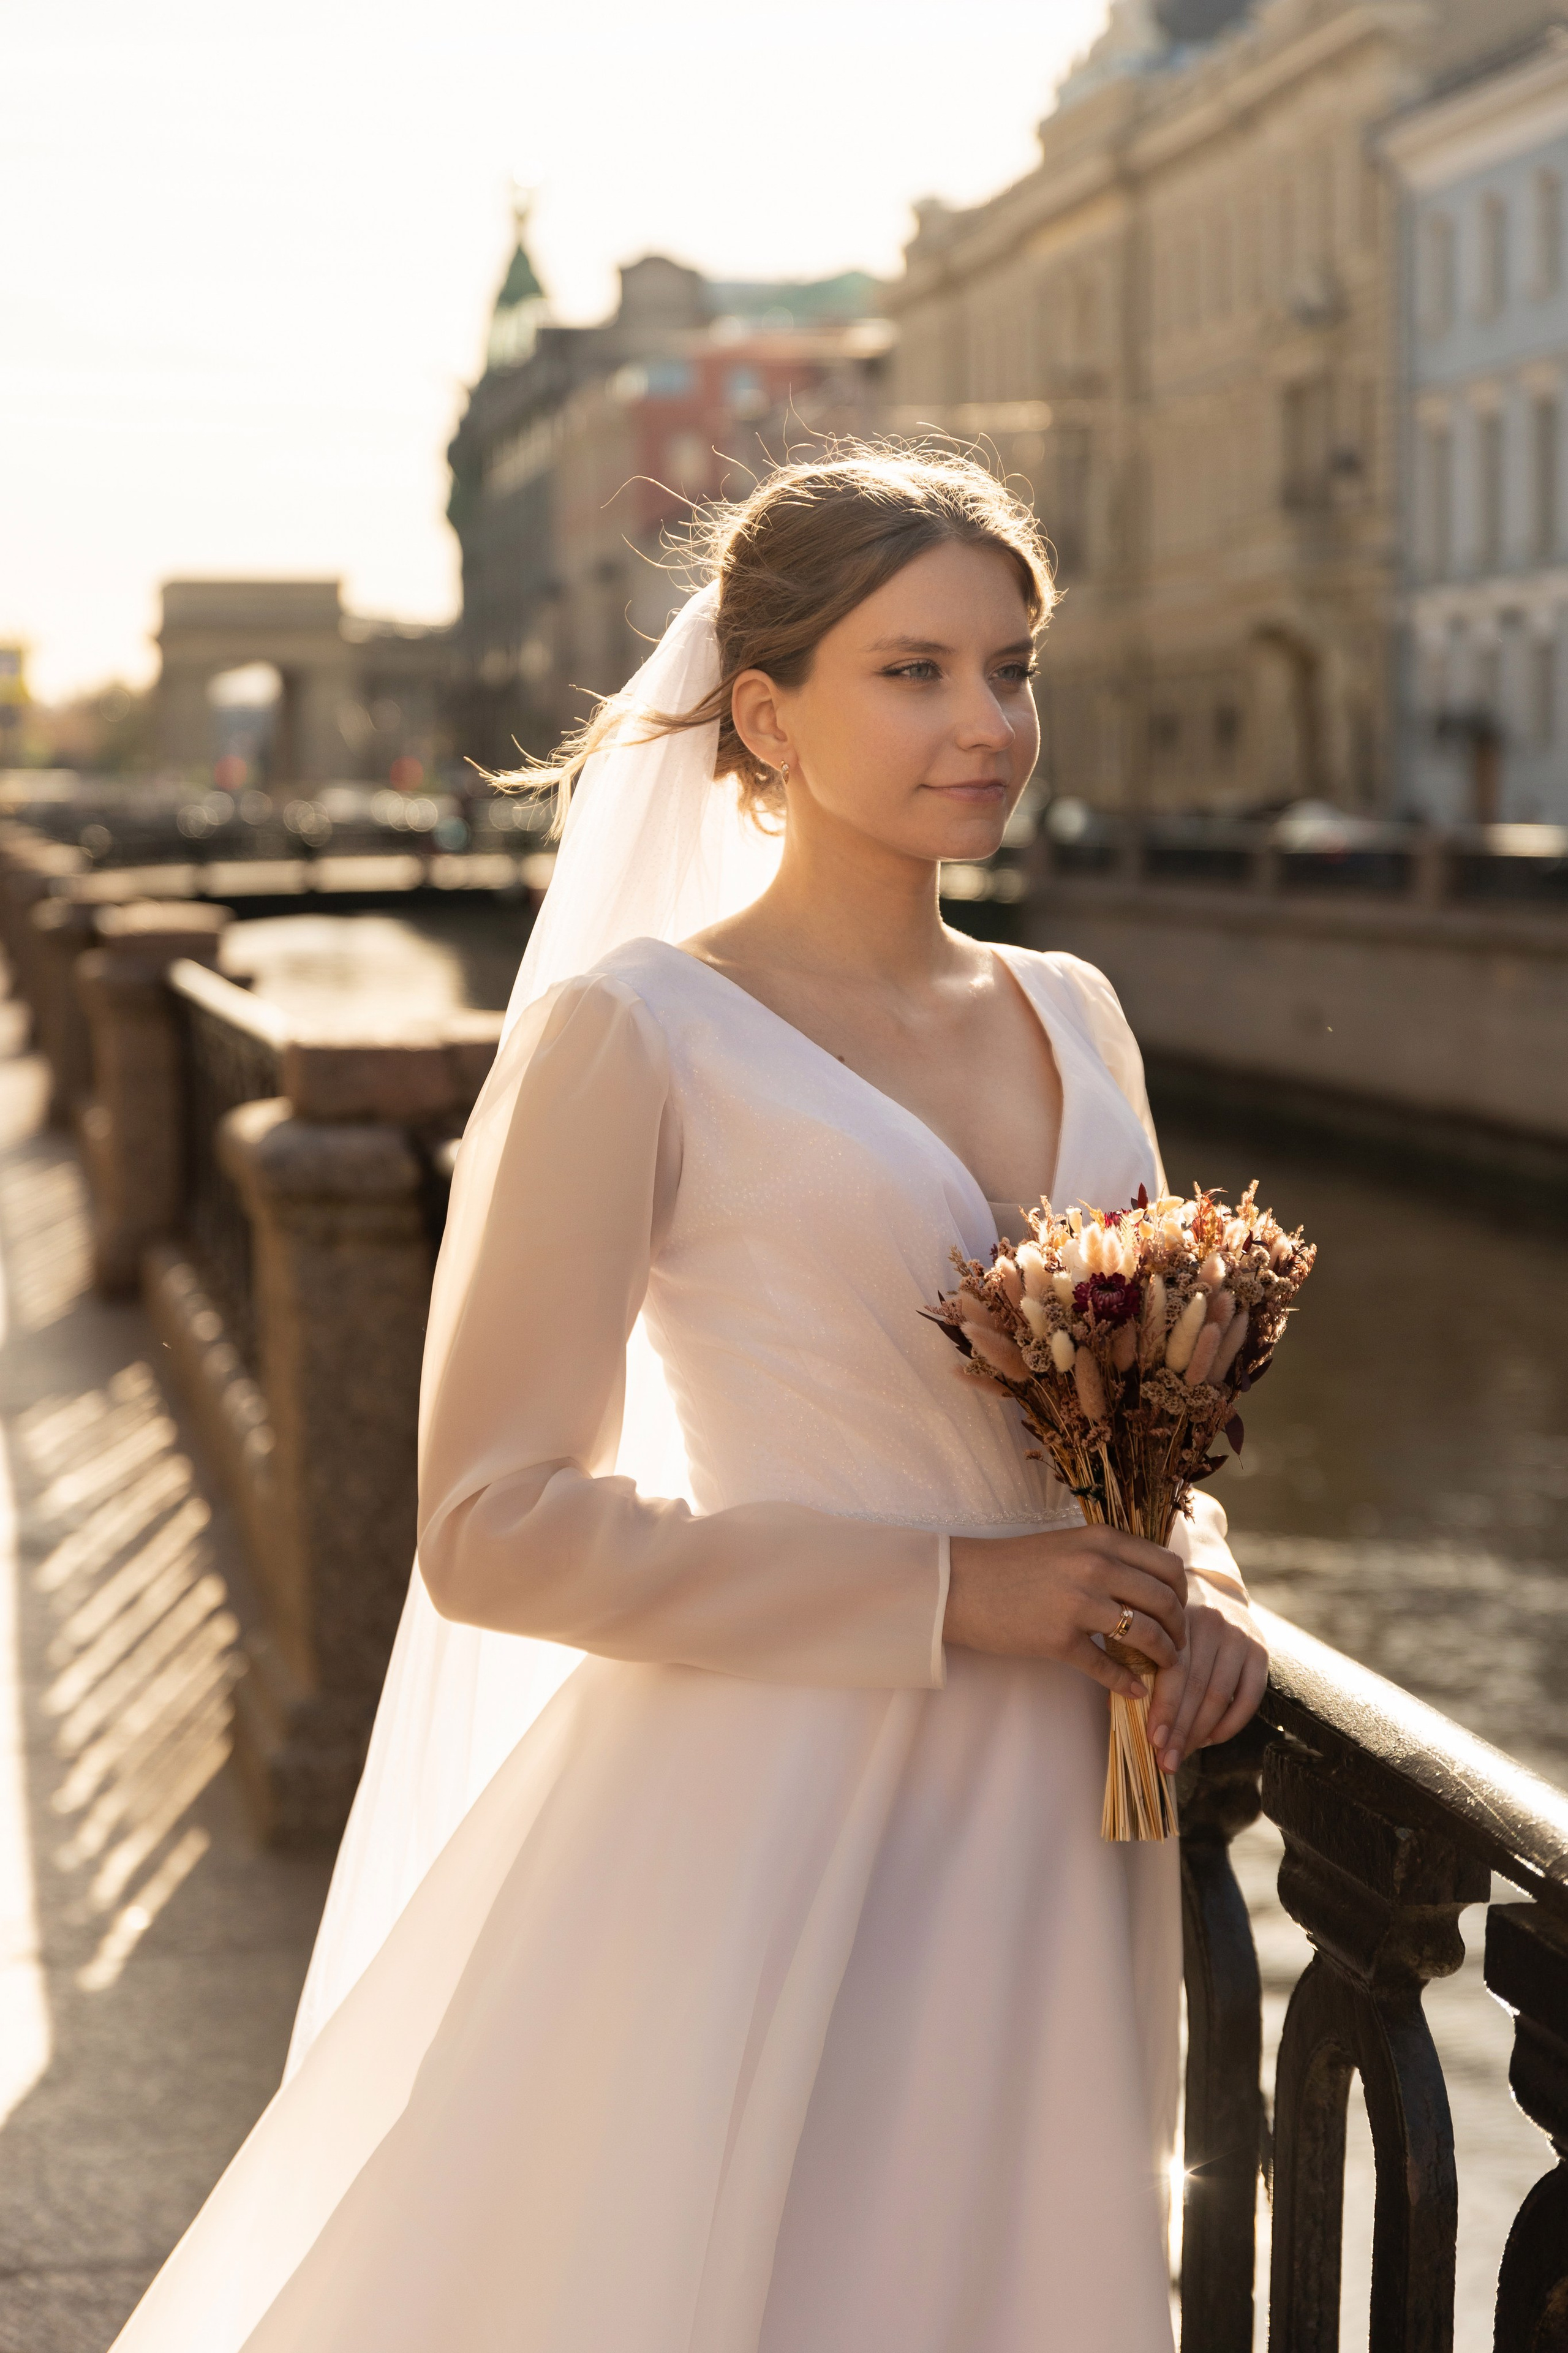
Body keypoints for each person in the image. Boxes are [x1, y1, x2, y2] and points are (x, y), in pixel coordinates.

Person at [111, 445, 1267, 2352]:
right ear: (763, 714)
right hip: (775, 1814)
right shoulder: (633, 1030)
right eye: (914, 671)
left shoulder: (1076, 1008)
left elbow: (1139, 1417)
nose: (988, 722)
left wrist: (1196, 1568)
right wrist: (965, 1593)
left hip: (1068, 1825)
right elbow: (490, 1524)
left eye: (1014, 666)